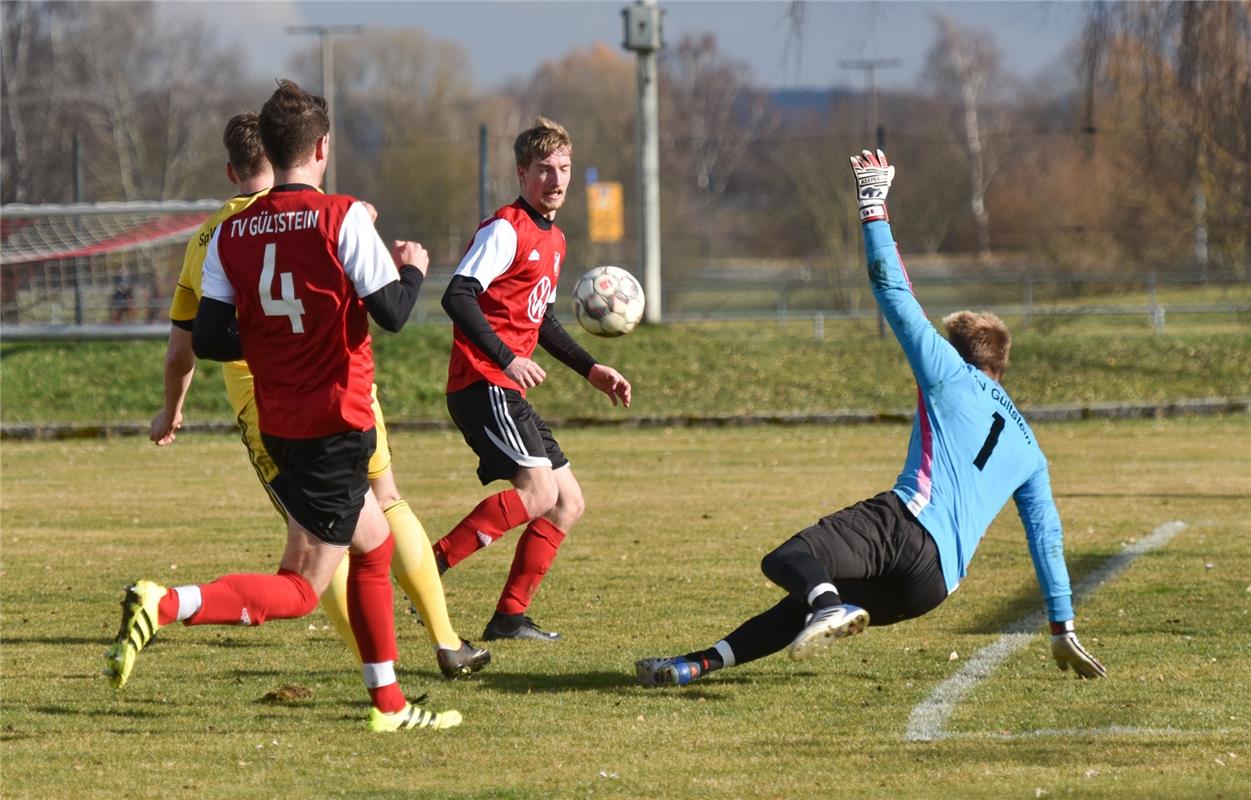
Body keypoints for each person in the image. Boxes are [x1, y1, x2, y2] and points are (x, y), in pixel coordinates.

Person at [635, 149, 1106, 687]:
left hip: (906, 526)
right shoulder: (1029, 448)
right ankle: (691, 666)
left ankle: (827, 606)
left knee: (792, 558)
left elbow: (893, 290)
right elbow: (1045, 534)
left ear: (959, 352)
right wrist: (1061, 626)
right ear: (1002, 365)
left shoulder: (949, 373)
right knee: (804, 604)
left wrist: (873, 207)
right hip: (933, 587)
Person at [106, 80, 459, 733]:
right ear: (322, 147)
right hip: (338, 419)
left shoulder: (229, 233)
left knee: (374, 544)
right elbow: (394, 313)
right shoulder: (343, 215)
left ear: (266, 148)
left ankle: (389, 705)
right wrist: (410, 265)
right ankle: (167, 601)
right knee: (300, 587)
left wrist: (273, 336)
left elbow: (209, 339)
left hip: (277, 424)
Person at [434, 116, 632, 642]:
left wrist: (592, 369)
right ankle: (425, 572)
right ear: (522, 175)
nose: (557, 179)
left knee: (568, 502)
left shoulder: (556, 238)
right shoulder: (506, 228)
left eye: (564, 168)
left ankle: (509, 618)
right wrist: (505, 357)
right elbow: (456, 295)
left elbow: (538, 318)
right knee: (540, 492)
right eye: (544, 169)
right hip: (482, 381)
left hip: (506, 385)